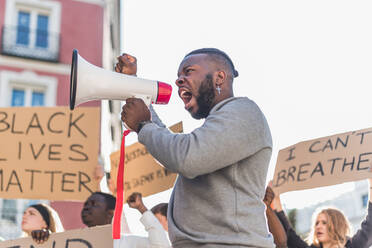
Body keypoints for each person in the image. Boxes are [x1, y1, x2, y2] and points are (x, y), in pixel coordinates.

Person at [116, 48, 274, 247]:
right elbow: (168, 144)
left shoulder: (243, 112)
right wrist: (133, 84)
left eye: (188, 71)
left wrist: (143, 126)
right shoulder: (224, 122)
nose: (178, 80)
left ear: (219, 77)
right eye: (178, 76)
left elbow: (185, 157)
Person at [268, 178, 372, 248]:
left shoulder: (352, 245)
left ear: (337, 225)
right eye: (317, 223)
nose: (318, 226)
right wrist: (276, 201)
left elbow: (370, 227)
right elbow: (289, 235)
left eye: (324, 223)